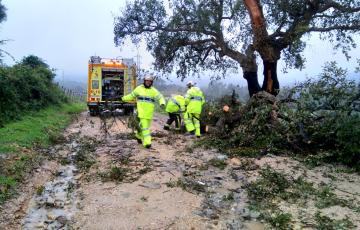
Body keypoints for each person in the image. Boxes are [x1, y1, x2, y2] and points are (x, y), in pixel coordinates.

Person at [121, 75, 165, 148]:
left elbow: (160, 97)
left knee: (144, 127)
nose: (148, 83)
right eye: (147, 81)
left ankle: (138, 136)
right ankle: (147, 143)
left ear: (152, 82)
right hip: (141, 112)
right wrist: (123, 98)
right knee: (145, 128)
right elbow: (131, 96)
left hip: (149, 113)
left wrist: (162, 103)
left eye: (150, 81)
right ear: (144, 81)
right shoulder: (139, 89)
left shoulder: (154, 90)